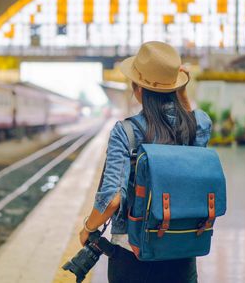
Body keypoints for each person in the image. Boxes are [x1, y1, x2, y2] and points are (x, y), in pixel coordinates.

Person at [79, 42, 212, 283]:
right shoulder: (199, 125)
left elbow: (112, 200)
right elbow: (189, 121)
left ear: (137, 88)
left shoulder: (125, 132)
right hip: (182, 248)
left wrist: (88, 228)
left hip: (132, 254)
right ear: (177, 86)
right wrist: (180, 91)